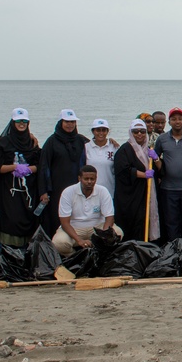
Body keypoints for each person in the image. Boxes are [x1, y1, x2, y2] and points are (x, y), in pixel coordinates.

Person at [0, 108, 42, 247]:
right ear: (13, 123)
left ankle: (27, 252)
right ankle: (6, 252)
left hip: (29, 190)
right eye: (18, 121)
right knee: (11, 219)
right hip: (9, 190)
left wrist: (29, 169)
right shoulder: (3, 142)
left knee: (30, 217)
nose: (22, 124)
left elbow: (40, 164)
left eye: (25, 121)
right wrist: (14, 167)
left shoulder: (32, 143)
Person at [38, 109, 89, 238]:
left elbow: (97, 144)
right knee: (57, 216)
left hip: (77, 186)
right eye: (67, 121)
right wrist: (43, 191)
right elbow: (44, 166)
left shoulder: (80, 140)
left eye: (72, 122)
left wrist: (111, 141)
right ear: (61, 122)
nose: (70, 125)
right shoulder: (51, 142)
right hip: (57, 188)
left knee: (77, 215)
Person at [52, 165, 122, 256]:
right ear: (79, 178)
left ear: (96, 179)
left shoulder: (103, 191)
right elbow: (65, 223)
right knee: (59, 243)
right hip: (75, 228)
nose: (89, 182)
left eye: (92, 179)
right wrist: (79, 240)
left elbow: (109, 217)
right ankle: (76, 258)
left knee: (118, 233)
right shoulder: (68, 192)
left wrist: (104, 236)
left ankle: (99, 256)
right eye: (86, 179)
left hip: (97, 227)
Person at [154, 107, 182, 241]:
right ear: (169, 122)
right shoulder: (162, 139)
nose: (177, 122)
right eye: (174, 119)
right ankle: (173, 250)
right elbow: (156, 158)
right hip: (168, 189)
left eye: (180, 119)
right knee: (171, 222)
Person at [114, 120, 160, 241]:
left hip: (146, 194)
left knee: (145, 221)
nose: (139, 134)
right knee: (133, 222)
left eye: (142, 131)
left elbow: (161, 170)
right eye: (136, 132)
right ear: (131, 133)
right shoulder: (124, 150)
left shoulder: (149, 150)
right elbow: (123, 170)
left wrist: (156, 159)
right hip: (130, 196)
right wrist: (144, 175)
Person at [85, 119, 117, 197]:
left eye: (104, 130)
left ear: (107, 131)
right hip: (90, 191)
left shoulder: (114, 147)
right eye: (98, 130)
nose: (101, 133)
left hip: (109, 191)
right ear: (93, 131)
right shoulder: (86, 147)